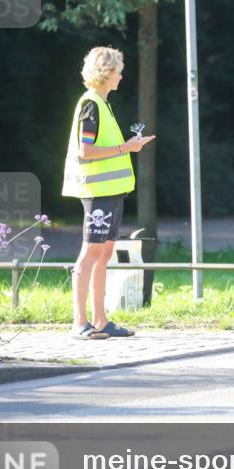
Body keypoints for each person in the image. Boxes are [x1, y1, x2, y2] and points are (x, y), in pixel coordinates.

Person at [62, 46, 155, 340]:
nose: (121, 76)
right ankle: (80, 322)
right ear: (105, 74)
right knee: (90, 253)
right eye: (117, 71)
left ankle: (101, 321)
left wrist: (128, 146)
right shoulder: (90, 104)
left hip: (112, 193)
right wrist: (125, 148)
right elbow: (85, 151)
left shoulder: (103, 104)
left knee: (104, 253)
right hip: (98, 193)